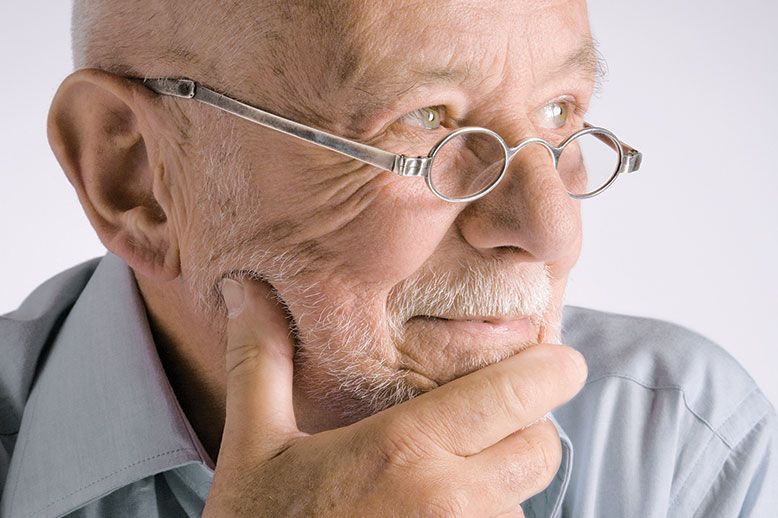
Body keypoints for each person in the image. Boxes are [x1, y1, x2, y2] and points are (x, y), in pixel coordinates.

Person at [1, 0, 775, 516]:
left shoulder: (691, 445)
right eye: (426, 120)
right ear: (135, 177)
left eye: (557, 111)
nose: (553, 231)